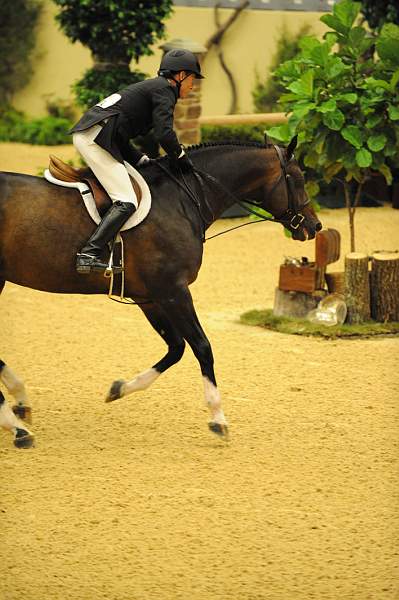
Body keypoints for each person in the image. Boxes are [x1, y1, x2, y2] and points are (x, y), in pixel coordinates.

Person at [69, 49, 204, 274]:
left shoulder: (154, 87)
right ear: (180, 76)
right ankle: (89, 254)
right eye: (192, 79)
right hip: (96, 138)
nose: (192, 86)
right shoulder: (166, 90)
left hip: (99, 135)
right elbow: (164, 133)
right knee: (127, 199)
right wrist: (180, 157)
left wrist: (139, 158)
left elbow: (120, 130)